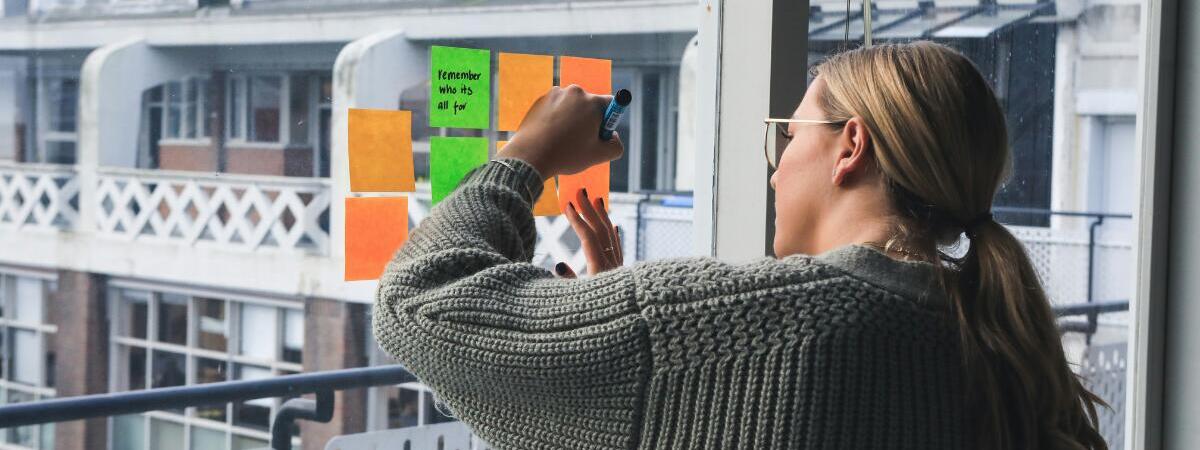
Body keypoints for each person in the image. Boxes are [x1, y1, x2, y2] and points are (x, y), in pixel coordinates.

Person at [372, 41, 1107, 450]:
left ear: (851, 145)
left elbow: (417, 304)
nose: (776, 165)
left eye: (786, 136)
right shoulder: (995, 342)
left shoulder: (736, 326)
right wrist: (606, 307)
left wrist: (523, 156)